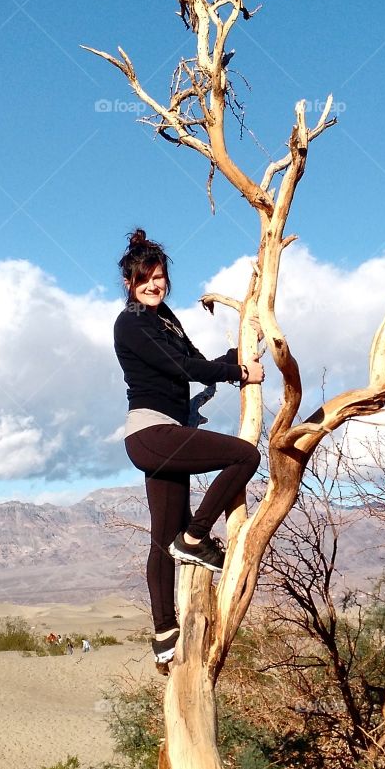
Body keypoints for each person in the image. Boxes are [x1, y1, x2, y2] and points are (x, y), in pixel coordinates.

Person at [114, 228, 263, 667]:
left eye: (159, 276)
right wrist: (238, 372)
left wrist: (244, 348)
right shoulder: (131, 323)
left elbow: (198, 363)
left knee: (162, 541)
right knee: (245, 455)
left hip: (163, 437)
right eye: (146, 278)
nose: (155, 284)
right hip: (150, 434)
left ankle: (164, 636)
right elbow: (182, 367)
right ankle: (196, 536)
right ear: (130, 283)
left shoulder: (166, 320)